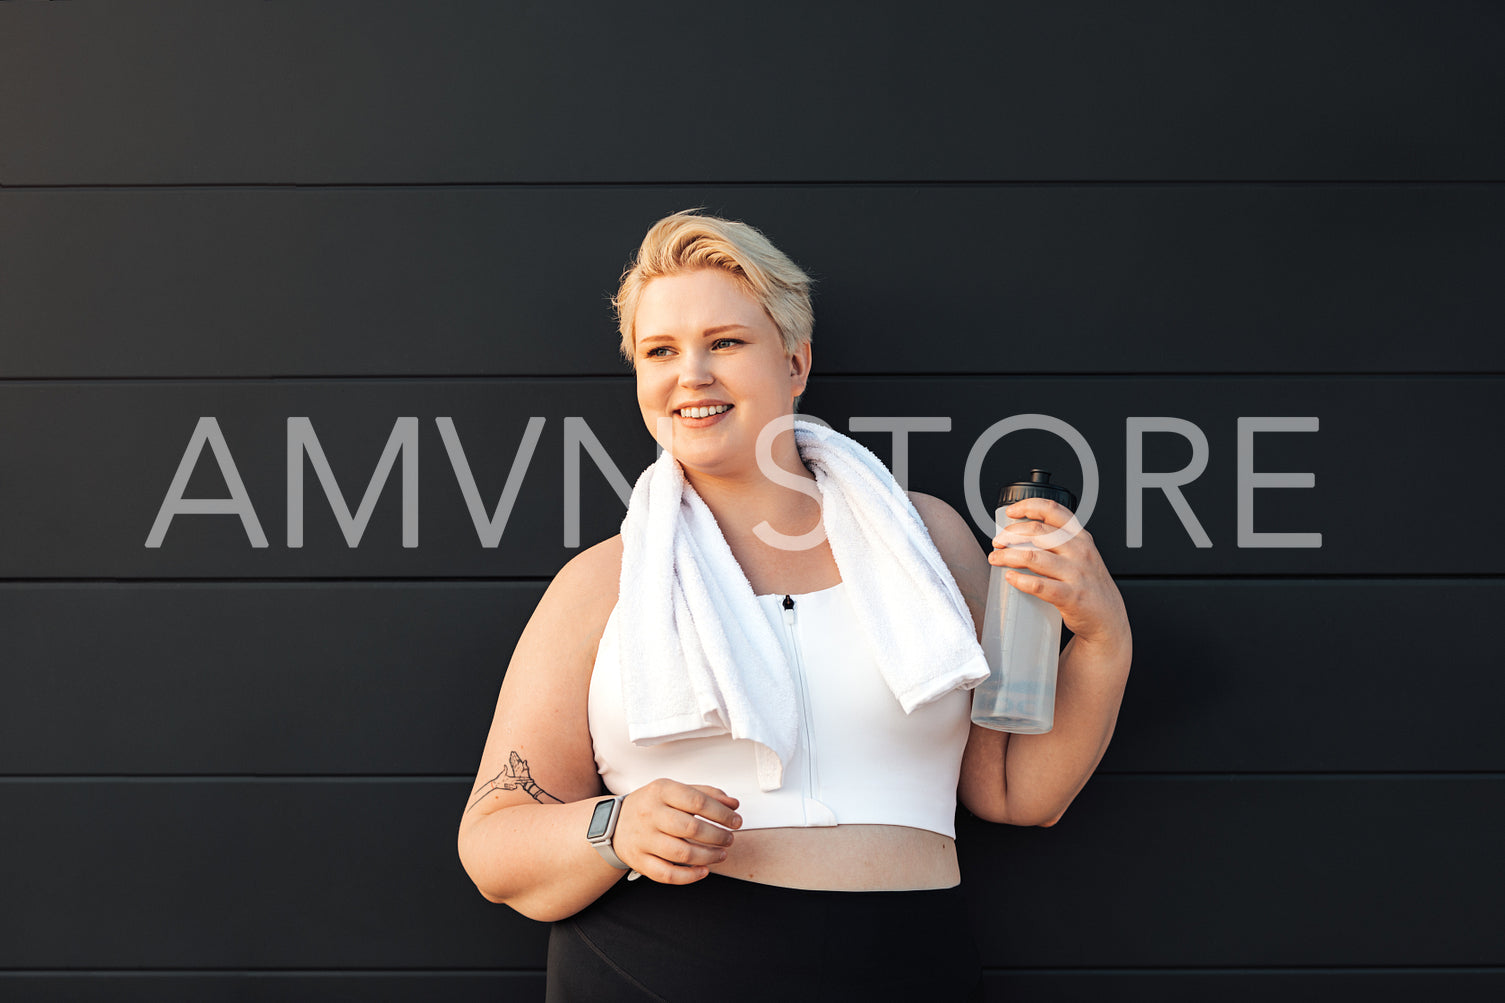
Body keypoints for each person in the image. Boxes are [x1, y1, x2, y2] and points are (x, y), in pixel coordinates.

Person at [456, 210, 1132, 1001]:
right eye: (660, 351)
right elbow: (494, 841)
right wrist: (617, 825)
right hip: (654, 969)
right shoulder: (601, 582)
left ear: (795, 360)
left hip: (907, 968)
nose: (692, 374)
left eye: (726, 342)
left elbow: (1016, 790)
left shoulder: (924, 541)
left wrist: (1101, 640)